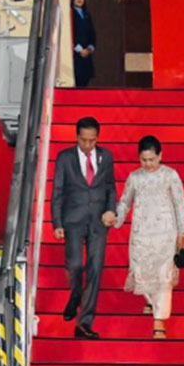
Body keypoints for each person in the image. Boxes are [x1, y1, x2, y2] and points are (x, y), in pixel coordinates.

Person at [113, 136, 184, 338]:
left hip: (166, 234)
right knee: (141, 271)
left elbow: (180, 203)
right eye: (143, 160)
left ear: (160, 156)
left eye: (151, 160)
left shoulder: (170, 175)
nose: (147, 164)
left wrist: (183, 232)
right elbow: (125, 202)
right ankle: (151, 300)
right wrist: (115, 218)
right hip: (141, 234)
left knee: (163, 277)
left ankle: (159, 321)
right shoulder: (135, 177)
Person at [51, 117, 117, 339]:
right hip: (72, 219)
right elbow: (57, 192)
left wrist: (111, 211)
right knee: (76, 264)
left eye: (92, 140)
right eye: (84, 140)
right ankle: (76, 293)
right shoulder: (64, 158)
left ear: (98, 138)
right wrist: (57, 223)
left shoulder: (106, 156)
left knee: (95, 269)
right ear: (76, 137)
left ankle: (85, 322)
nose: (88, 145)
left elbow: (110, 187)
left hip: (99, 221)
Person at [71, 0, 96, 87]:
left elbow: (92, 34)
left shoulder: (87, 15)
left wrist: (89, 49)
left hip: (86, 56)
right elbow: (70, 33)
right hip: (75, 55)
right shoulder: (71, 13)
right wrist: (79, 49)